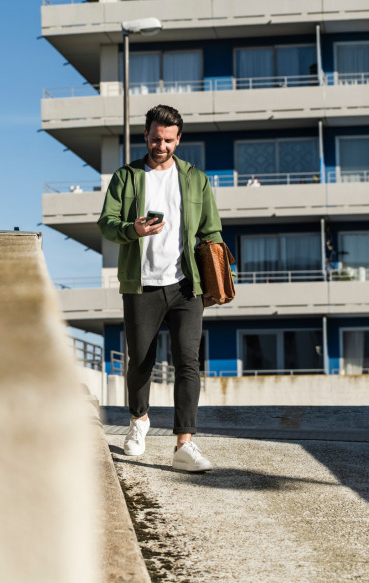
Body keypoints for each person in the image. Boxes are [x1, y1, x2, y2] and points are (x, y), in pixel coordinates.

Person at [97, 104, 223, 472]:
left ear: (178, 140)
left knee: (188, 362)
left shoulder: (196, 179)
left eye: (168, 140)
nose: (161, 146)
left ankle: (185, 443)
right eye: (155, 139)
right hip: (142, 284)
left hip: (186, 285)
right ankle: (139, 421)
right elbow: (106, 223)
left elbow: (211, 230)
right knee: (140, 360)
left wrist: (216, 272)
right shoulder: (127, 177)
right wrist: (132, 230)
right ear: (145, 137)